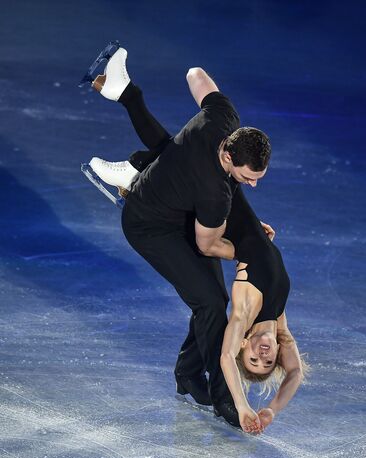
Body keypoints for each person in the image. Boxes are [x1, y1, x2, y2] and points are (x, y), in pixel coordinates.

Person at [80, 43, 277, 430]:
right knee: (209, 302)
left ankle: (188, 376)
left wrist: (250, 230)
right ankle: (223, 398)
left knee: (212, 300)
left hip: (175, 197)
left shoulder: (222, 118)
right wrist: (248, 249)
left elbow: (195, 75)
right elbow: (207, 244)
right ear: (228, 159)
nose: (253, 185)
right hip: (149, 227)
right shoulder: (214, 192)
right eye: (248, 176)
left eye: (259, 177)